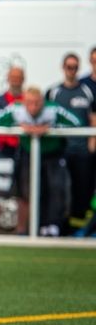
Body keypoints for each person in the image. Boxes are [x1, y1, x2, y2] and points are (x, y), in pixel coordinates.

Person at [0, 87, 84, 236]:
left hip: (52, 155)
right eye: (29, 103)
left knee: (55, 189)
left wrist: (51, 128)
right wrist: (19, 126)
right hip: (27, 154)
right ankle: (31, 227)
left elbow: (76, 122)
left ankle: (52, 226)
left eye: (37, 103)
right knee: (26, 191)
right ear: (24, 101)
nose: (33, 107)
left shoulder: (53, 110)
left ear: (43, 102)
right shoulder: (16, 109)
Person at [47, 53, 96, 230]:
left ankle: (80, 228)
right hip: (61, 150)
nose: (71, 70)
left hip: (82, 150)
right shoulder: (53, 91)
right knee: (60, 189)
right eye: (69, 66)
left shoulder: (87, 91)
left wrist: (92, 142)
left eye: (75, 67)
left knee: (82, 189)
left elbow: (93, 117)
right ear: (63, 67)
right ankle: (60, 225)